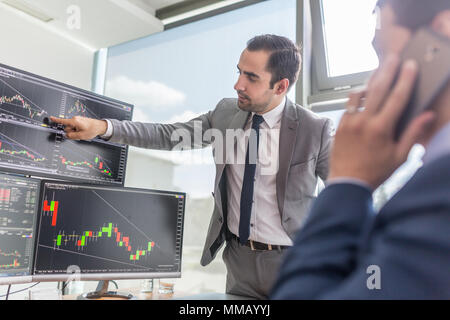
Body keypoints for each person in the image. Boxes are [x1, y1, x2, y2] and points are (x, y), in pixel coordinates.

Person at [50, 34, 333, 299]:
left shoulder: (314, 129)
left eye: (251, 78)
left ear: (281, 86)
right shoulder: (226, 113)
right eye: (239, 72)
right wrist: (102, 127)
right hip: (240, 261)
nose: (238, 85)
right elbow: (168, 135)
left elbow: (347, 194)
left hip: (294, 261)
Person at [270, 0, 450, 299]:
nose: (373, 80)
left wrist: (347, 182)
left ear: (441, 34)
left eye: (381, 54)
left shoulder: (439, 194)